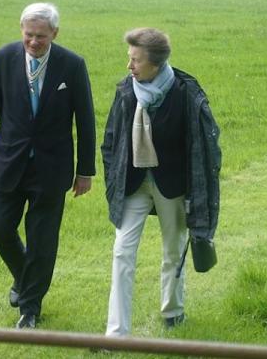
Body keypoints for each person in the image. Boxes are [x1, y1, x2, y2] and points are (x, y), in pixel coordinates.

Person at [0, 3, 96, 329]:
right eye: (28, 35)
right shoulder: (2, 59)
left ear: (55, 33)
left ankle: (30, 309)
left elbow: (86, 119)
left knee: (42, 240)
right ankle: (26, 280)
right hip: (6, 164)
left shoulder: (72, 65)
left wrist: (85, 171)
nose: (34, 42)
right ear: (21, 30)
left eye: (41, 36)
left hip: (51, 171)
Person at [101, 28, 221, 337]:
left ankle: (172, 312)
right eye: (129, 59)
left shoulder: (186, 94)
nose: (129, 66)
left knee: (172, 250)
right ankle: (116, 333)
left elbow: (204, 149)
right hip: (133, 184)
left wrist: (196, 196)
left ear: (155, 63)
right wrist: (113, 180)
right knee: (121, 252)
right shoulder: (126, 91)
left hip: (172, 185)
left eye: (135, 61)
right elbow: (110, 142)